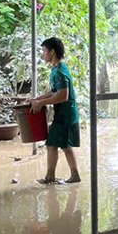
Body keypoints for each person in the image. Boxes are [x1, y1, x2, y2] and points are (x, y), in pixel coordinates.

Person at [28, 37, 82, 184]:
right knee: (65, 145)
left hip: (66, 115)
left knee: (52, 145)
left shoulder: (59, 72)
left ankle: (50, 177)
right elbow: (54, 92)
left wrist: (42, 102)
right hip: (66, 114)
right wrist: (37, 99)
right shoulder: (58, 69)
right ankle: (74, 175)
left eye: (44, 51)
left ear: (52, 52)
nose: (43, 54)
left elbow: (63, 95)